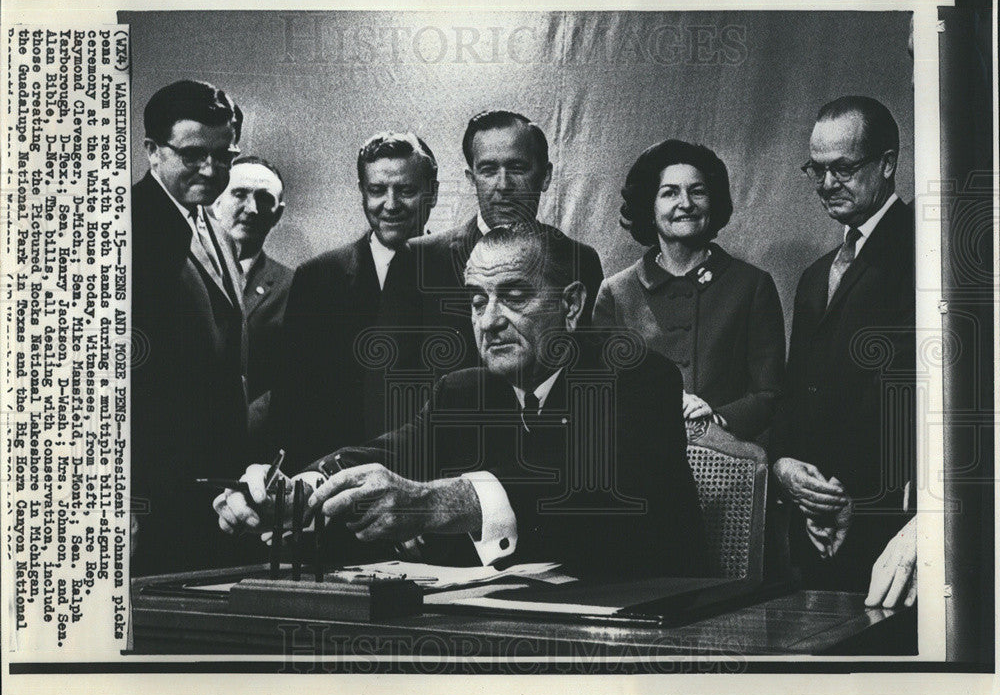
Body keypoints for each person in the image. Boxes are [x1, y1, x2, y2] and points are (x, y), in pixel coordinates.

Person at [216, 224, 707, 578]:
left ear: (572, 305)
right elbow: (390, 452)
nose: (489, 320)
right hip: (508, 624)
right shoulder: (465, 388)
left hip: (650, 623)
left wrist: (439, 502)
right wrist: (303, 489)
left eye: (513, 296)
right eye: (476, 301)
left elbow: (586, 487)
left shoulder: (637, 377)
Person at [770, 96, 916, 594]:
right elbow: (795, 393)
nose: (827, 184)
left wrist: (868, 504)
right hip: (814, 530)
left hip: (896, 531)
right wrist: (784, 464)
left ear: (889, 163)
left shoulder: (928, 251)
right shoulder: (815, 276)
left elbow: (935, 405)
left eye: (844, 168)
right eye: (817, 169)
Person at [268, 132, 440, 474]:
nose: (391, 204)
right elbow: (290, 404)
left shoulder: (462, 275)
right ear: (362, 192)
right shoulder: (317, 278)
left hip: (432, 482)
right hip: (336, 482)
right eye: (377, 190)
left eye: (406, 190)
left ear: (432, 193)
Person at [131, 80, 249, 574]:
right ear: (153, 152)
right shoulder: (126, 225)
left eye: (223, 155)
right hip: (152, 495)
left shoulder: (213, 226)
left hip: (211, 487)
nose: (211, 168)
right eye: (194, 153)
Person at [593, 139, 785, 442]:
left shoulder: (752, 285)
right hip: (640, 463)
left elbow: (769, 392)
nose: (686, 203)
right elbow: (600, 395)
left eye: (697, 191)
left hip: (727, 464)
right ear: (649, 206)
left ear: (714, 202)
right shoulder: (615, 293)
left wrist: (716, 418)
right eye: (670, 192)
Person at [412, 110, 604, 368]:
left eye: (517, 167)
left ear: (545, 176)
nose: (503, 185)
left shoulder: (580, 259)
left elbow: (588, 365)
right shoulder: (418, 258)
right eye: (489, 170)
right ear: (472, 179)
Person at [210, 155, 293, 447]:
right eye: (239, 194)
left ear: (278, 214)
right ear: (215, 201)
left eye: (264, 199)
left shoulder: (294, 287)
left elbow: (292, 380)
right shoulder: (178, 273)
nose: (251, 209)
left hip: (253, 449)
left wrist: (236, 431)